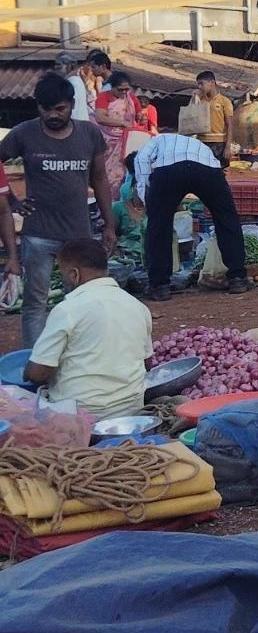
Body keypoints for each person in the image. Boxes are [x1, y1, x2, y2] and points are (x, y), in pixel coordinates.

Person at [0, 74, 114, 345]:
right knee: (35, 302)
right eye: (45, 108)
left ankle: (75, 355)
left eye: (59, 109)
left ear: (72, 105)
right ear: (37, 106)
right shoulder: (24, 133)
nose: (52, 114)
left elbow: (99, 179)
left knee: (78, 300)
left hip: (78, 234)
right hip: (38, 234)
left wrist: (109, 224)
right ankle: (34, 360)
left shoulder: (89, 134)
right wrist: (12, 200)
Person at [24, 238, 154, 415]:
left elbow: (37, 374)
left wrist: (27, 372)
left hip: (82, 413)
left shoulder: (67, 310)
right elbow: (147, 363)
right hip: (131, 409)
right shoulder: (138, 306)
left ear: (74, 275)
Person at [133, 127, 250, 301]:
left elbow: (141, 162)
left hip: (169, 171)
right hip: (207, 170)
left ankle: (159, 285)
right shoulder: (196, 142)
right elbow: (215, 165)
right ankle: (238, 277)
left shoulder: (155, 140)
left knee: (159, 225)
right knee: (226, 218)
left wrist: (149, 203)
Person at [95, 70, 150, 197]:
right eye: (120, 90)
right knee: (110, 175)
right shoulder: (104, 97)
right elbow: (100, 117)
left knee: (130, 173)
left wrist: (141, 118)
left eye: (126, 89)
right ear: (112, 87)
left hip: (129, 143)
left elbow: (138, 115)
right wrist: (121, 122)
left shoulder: (130, 97)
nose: (124, 92)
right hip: (109, 143)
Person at [191, 69, 235, 164]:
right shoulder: (199, 100)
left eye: (202, 83)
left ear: (212, 82)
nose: (199, 87)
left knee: (219, 172)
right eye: (198, 84)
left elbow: (230, 125)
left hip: (219, 144)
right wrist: (194, 98)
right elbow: (191, 117)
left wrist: (228, 147)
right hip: (201, 142)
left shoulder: (225, 101)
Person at [62, 49, 111, 122]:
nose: (91, 69)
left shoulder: (109, 83)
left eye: (93, 67)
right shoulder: (78, 77)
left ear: (103, 66)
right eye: (90, 66)